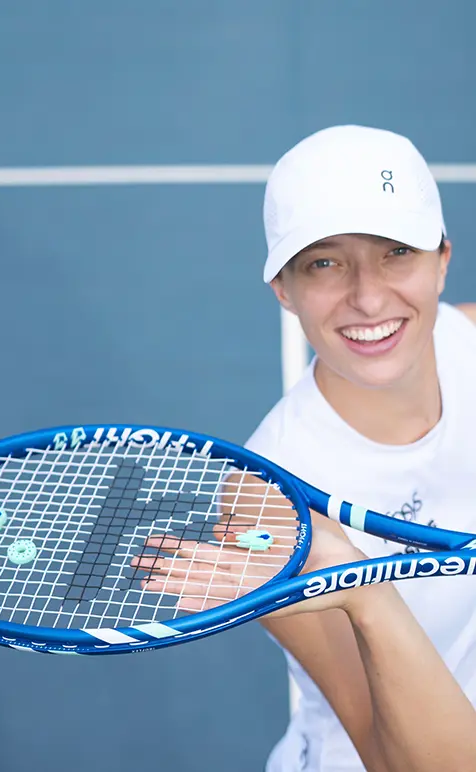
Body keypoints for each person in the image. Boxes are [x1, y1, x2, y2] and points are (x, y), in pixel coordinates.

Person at [141, 125, 476, 771]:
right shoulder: (268, 504)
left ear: (442, 261)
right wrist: (365, 592)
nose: (368, 297)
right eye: (325, 263)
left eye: (397, 252)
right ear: (283, 290)